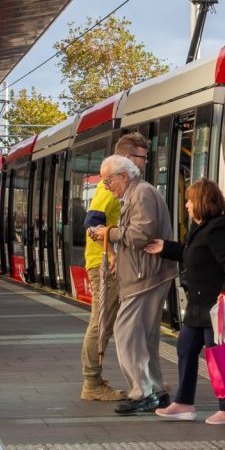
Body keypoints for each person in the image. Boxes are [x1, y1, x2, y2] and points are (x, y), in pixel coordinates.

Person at [143, 178, 225, 425]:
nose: (187, 205)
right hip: (199, 305)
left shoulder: (219, 228)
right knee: (185, 348)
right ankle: (183, 404)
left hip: (216, 306)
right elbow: (192, 254)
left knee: (218, 357)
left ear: (201, 202)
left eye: (190, 200)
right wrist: (165, 247)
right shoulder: (198, 227)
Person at [91, 153, 177, 414]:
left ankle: (142, 391)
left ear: (123, 176)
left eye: (109, 182)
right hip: (146, 274)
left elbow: (141, 234)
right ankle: (156, 389)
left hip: (145, 276)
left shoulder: (140, 194)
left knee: (126, 332)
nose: (107, 187)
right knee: (144, 336)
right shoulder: (137, 193)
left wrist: (110, 233)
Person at [78, 132, 152, 402]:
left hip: (108, 263)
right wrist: (110, 253)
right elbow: (91, 223)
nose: (144, 163)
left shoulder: (122, 185)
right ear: (128, 159)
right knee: (101, 322)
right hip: (103, 265)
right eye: (142, 158)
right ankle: (92, 382)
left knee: (111, 322)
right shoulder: (107, 187)